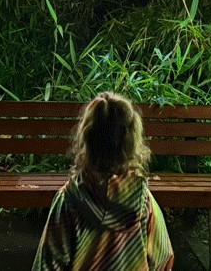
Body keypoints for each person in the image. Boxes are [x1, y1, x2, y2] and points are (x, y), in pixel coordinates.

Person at [33, 92, 174, 270]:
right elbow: (162, 259)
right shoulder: (142, 200)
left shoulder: (69, 200)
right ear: (130, 141)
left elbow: (48, 263)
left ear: (87, 138)